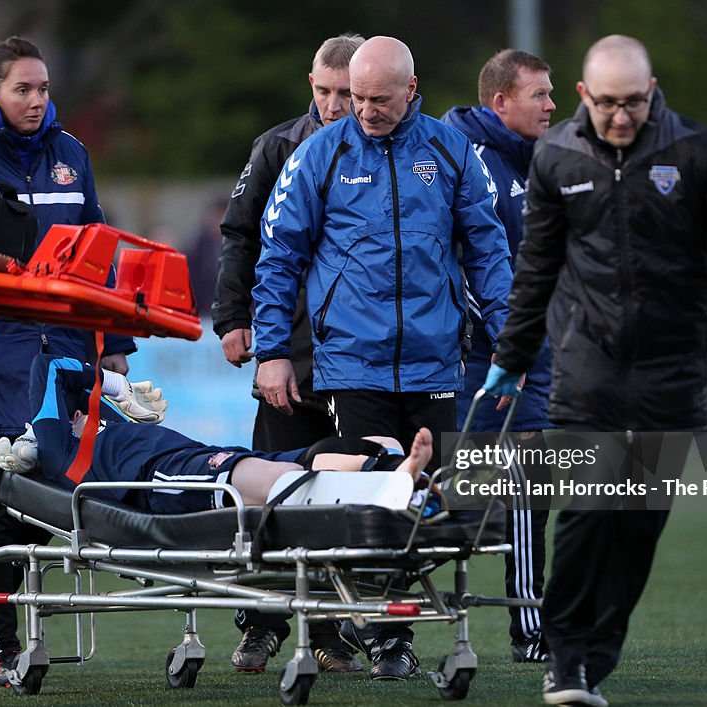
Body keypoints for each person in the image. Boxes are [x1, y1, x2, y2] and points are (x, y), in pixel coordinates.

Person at [483, 35, 707, 706]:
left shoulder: (697, 151)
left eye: (634, 102)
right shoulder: (557, 158)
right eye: (607, 103)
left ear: (653, 89)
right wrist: (511, 356)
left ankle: (592, 657)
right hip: (588, 368)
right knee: (584, 513)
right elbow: (537, 270)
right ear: (584, 97)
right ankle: (567, 662)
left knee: (637, 520)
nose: (621, 116)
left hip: (672, 371)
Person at [252, 36, 512, 680]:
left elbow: (488, 249)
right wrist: (273, 350)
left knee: (426, 504)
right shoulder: (319, 153)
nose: (363, 110)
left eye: (378, 99)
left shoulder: (452, 152)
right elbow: (278, 256)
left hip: (434, 361)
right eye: (357, 98)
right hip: (352, 363)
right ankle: (385, 636)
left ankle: (404, 630)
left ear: (412, 90)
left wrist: (511, 337)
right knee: (371, 500)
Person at [0, 36, 136, 689]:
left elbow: (99, 250)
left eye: (44, 89)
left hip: (57, 358)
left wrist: (118, 342)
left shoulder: (70, 154)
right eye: (24, 90)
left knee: (56, 500)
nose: (38, 101)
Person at [212, 32, 366, 676]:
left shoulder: (400, 150)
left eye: (344, 93)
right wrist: (232, 317)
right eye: (323, 91)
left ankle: (334, 632)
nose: (332, 105)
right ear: (311, 83)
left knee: (348, 496)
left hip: (361, 358)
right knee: (274, 489)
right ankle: (261, 625)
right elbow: (241, 233)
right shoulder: (278, 146)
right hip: (291, 350)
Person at [441, 48, 557, 665]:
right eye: (539, 94)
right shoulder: (469, 160)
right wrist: (507, 347)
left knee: (531, 487)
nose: (551, 104)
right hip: (478, 359)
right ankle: (379, 626)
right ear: (501, 102)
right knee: (448, 496)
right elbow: (466, 266)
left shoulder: (535, 164)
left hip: (527, 352)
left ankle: (530, 626)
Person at [0, 355, 434, 516]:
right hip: (162, 477)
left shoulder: (101, 429)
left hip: (193, 457)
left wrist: (114, 399)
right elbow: (50, 367)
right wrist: (115, 387)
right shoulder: (61, 450)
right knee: (262, 477)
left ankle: (392, 470)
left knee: (292, 461)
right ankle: (394, 482)